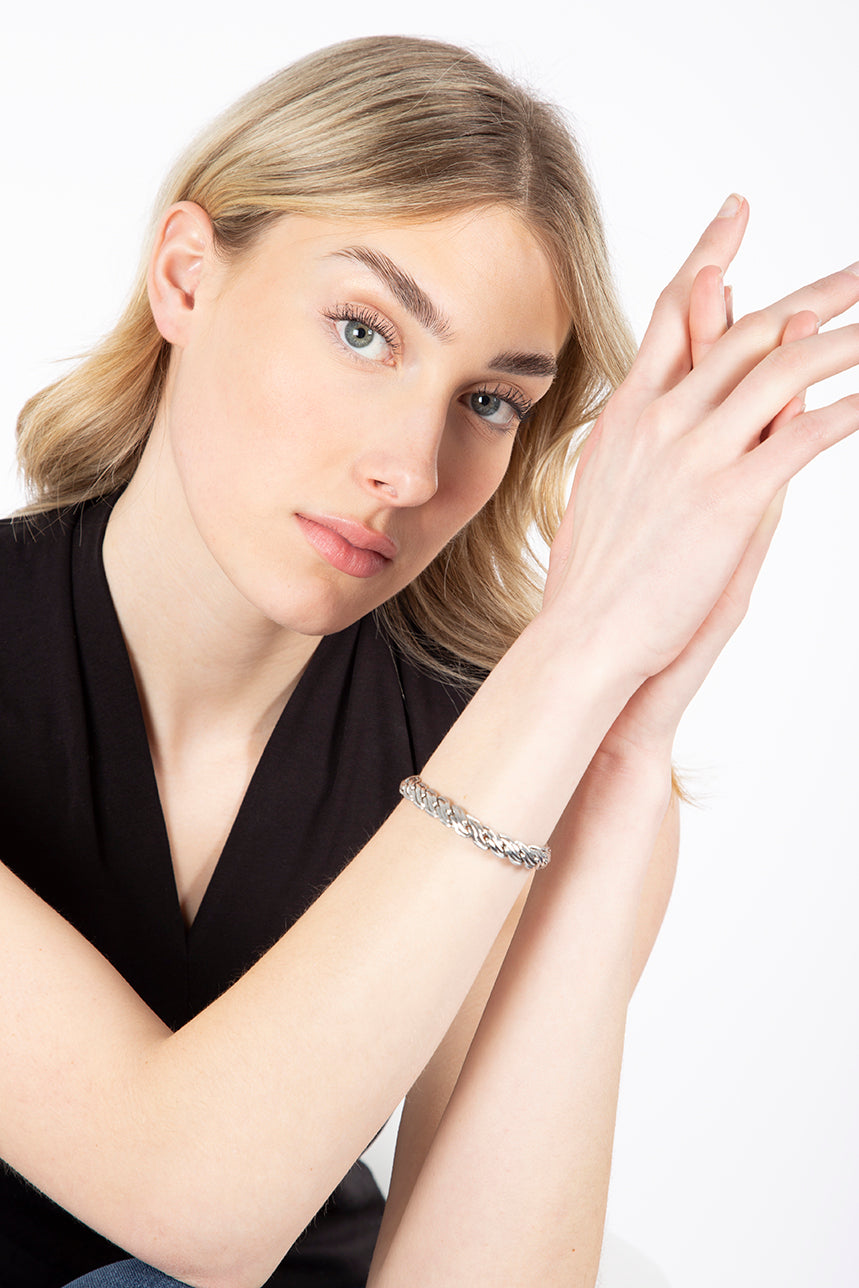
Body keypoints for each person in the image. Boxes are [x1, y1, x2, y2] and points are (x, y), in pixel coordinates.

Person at [1, 31, 856, 1288]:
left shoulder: (510, 745)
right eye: (363, 331)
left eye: (490, 401)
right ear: (186, 277)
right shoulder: (527, 718)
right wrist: (575, 651)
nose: (409, 468)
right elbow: (190, 1202)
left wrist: (619, 749)